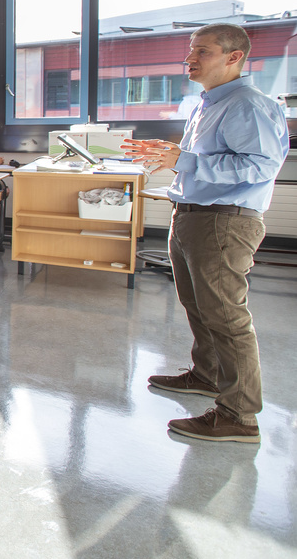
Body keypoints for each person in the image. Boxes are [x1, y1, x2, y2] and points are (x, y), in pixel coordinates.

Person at [124, 24, 289, 444]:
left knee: (226, 315)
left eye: (203, 51)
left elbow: (260, 167)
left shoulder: (249, 105)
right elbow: (201, 158)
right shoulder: (206, 103)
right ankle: (207, 375)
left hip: (224, 219)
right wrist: (175, 159)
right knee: (198, 304)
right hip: (193, 213)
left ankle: (238, 415)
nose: (190, 59)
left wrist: (187, 162)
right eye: (191, 50)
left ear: (234, 57)